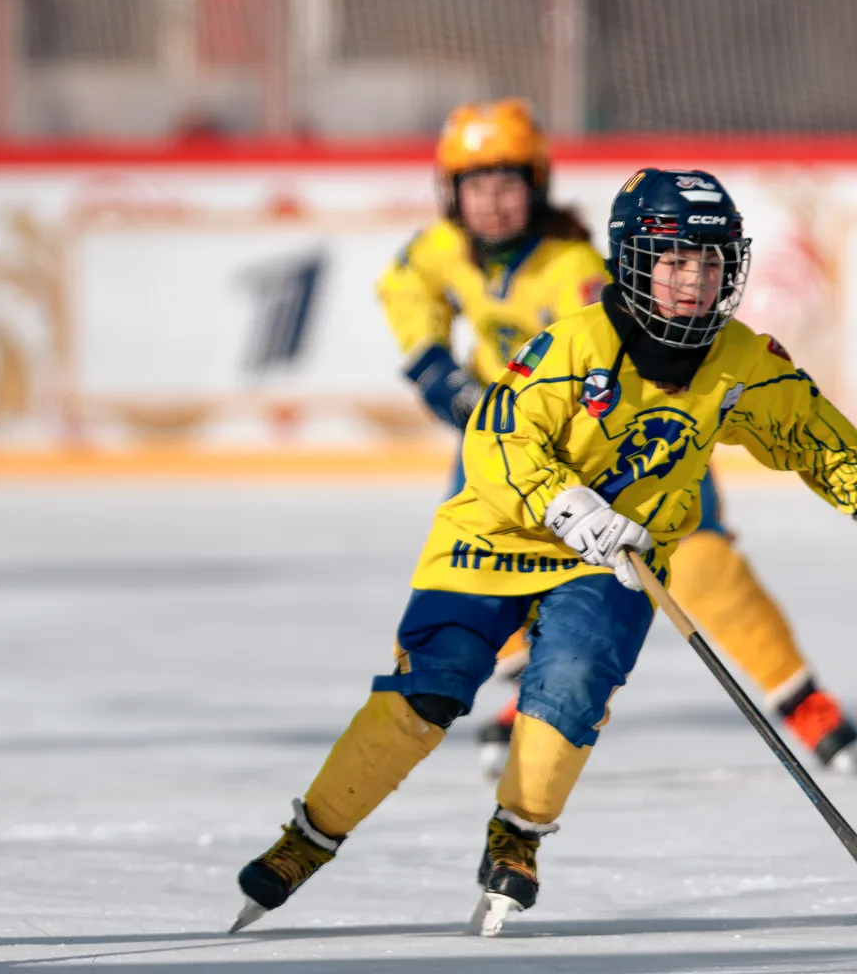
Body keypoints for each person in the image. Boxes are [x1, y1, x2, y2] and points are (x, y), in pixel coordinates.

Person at [235, 167, 857, 936]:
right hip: (494, 537)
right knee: (430, 689)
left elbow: (819, 442)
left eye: (710, 262)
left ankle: (518, 835)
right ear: (635, 262)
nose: (694, 281)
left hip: (612, 557)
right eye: (674, 261)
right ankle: (309, 836)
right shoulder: (573, 345)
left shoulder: (743, 363)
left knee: (573, 680)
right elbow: (497, 439)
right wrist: (565, 502)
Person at [380, 100, 857, 778]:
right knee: (483, 553)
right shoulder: (441, 249)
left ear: (537, 185)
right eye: (476, 187)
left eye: (507, 185)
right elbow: (406, 286)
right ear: (450, 194)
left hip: (629, 439)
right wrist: (432, 362)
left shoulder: (571, 268)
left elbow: (615, 354)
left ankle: (805, 702)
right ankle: (528, 692)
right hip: (519, 444)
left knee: (701, 562)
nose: (492, 204)